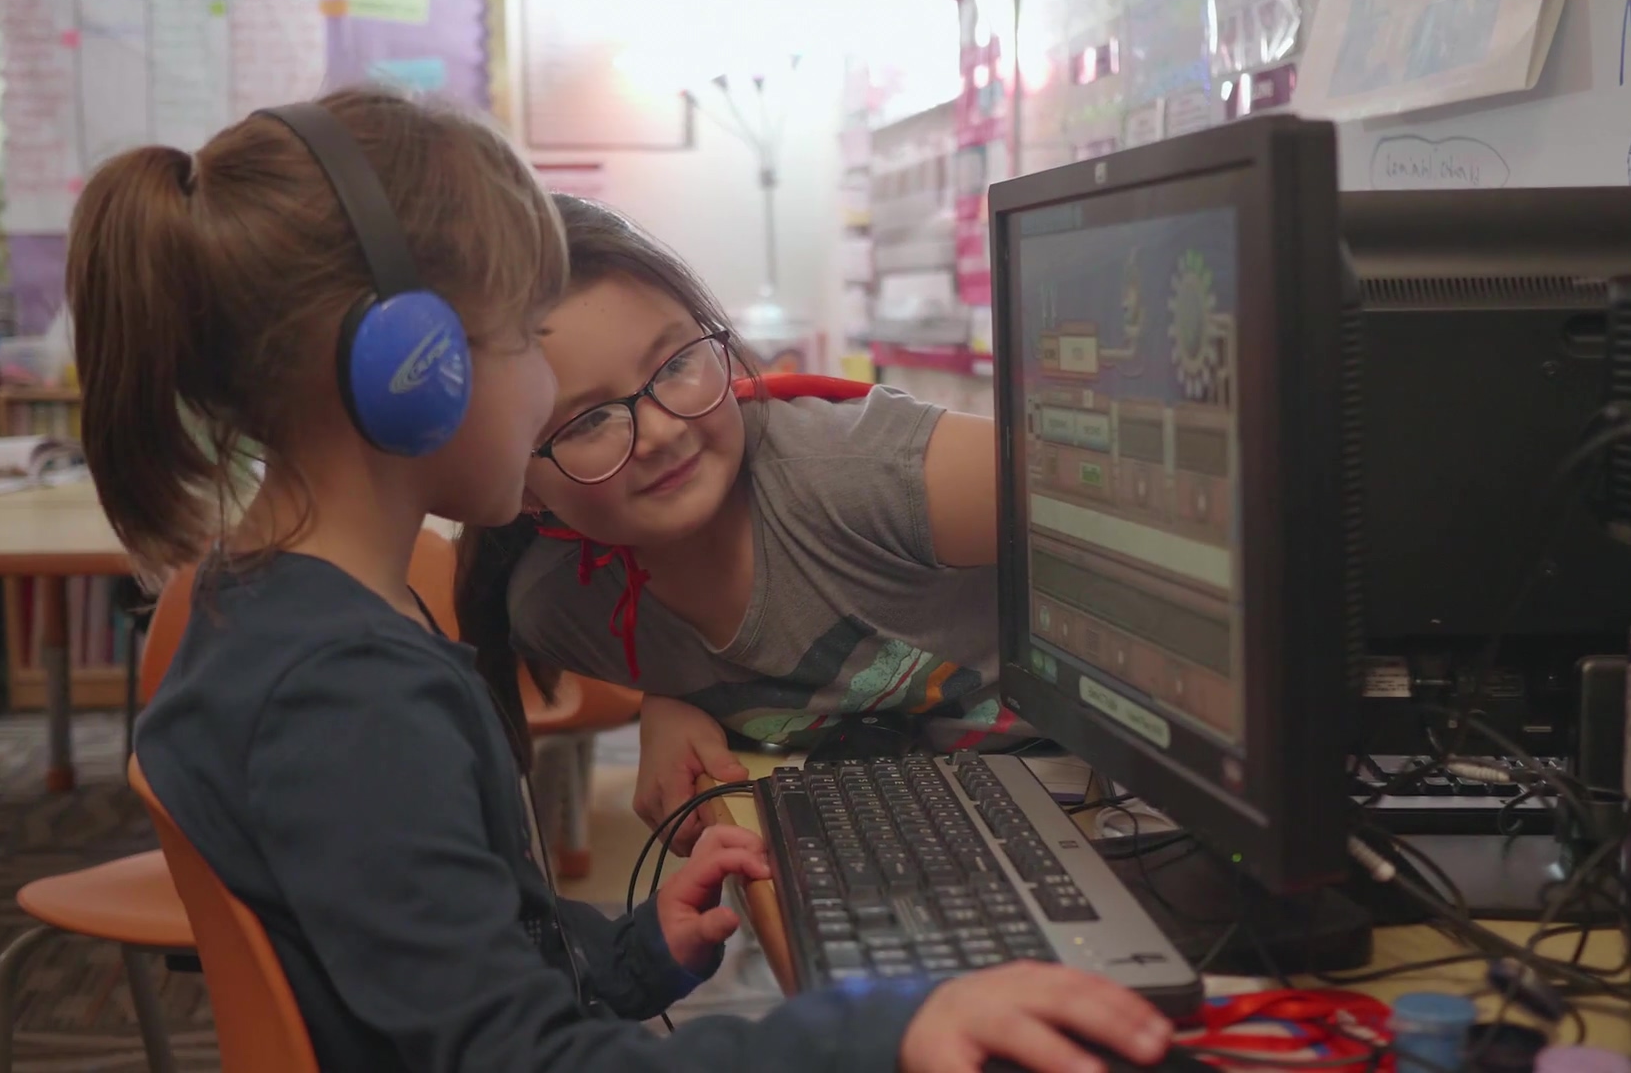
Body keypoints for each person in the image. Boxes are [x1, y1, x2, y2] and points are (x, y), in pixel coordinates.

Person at [82, 87, 1173, 1073]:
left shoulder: (283, 617)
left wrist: (633, 950)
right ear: (410, 372)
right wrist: (880, 1033)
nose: (559, 389)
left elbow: (448, 974)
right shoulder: (340, 697)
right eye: (525, 342)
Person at [457, 196, 1025, 855]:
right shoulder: (562, 612)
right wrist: (670, 702)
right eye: (589, 421)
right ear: (518, 482)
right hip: (934, 848)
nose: (663, 431)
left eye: (674, 365)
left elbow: (1117, 507)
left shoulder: (863, 473)